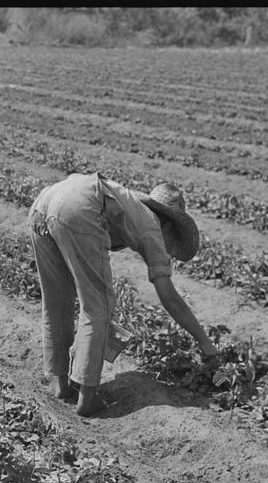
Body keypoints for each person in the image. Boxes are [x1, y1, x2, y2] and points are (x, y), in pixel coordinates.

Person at [28, 172, 219, 417]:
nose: (169, 250)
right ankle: (87, 397)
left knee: (58, 301)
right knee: (99, 303)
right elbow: (169, 297)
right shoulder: (152, 226)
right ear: (169, 226)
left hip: (44, 203)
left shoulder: (131, 206)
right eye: (174, 241)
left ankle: (63, 386)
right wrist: (204, 341)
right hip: (78, 207)